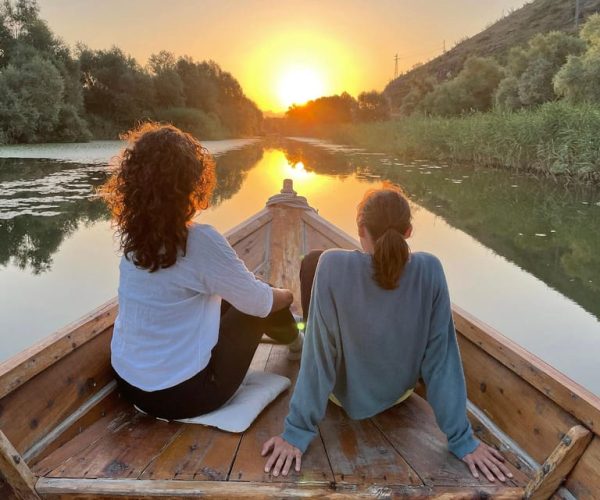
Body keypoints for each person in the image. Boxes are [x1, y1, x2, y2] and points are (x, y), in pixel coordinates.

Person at [261, 185, 512, 483]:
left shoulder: (332, 265)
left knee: (313, 261)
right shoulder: (431, 269)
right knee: (317, 262)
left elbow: (319, 357)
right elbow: (441, 360)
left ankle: (295, 344)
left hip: (341, 398)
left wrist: (296, 432)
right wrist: (462, 439)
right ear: (408, 231)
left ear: (361, 229)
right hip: (398, 394)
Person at [101, 123, 302, 421]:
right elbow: (260, 303)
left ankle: (293, 337)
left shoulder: (134, 239)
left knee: (232, 295)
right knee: (260, 299)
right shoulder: (200, 239)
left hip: (128, 385)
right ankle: (298, 344)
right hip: (184, 397)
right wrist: (285, 295)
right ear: (190, 183)